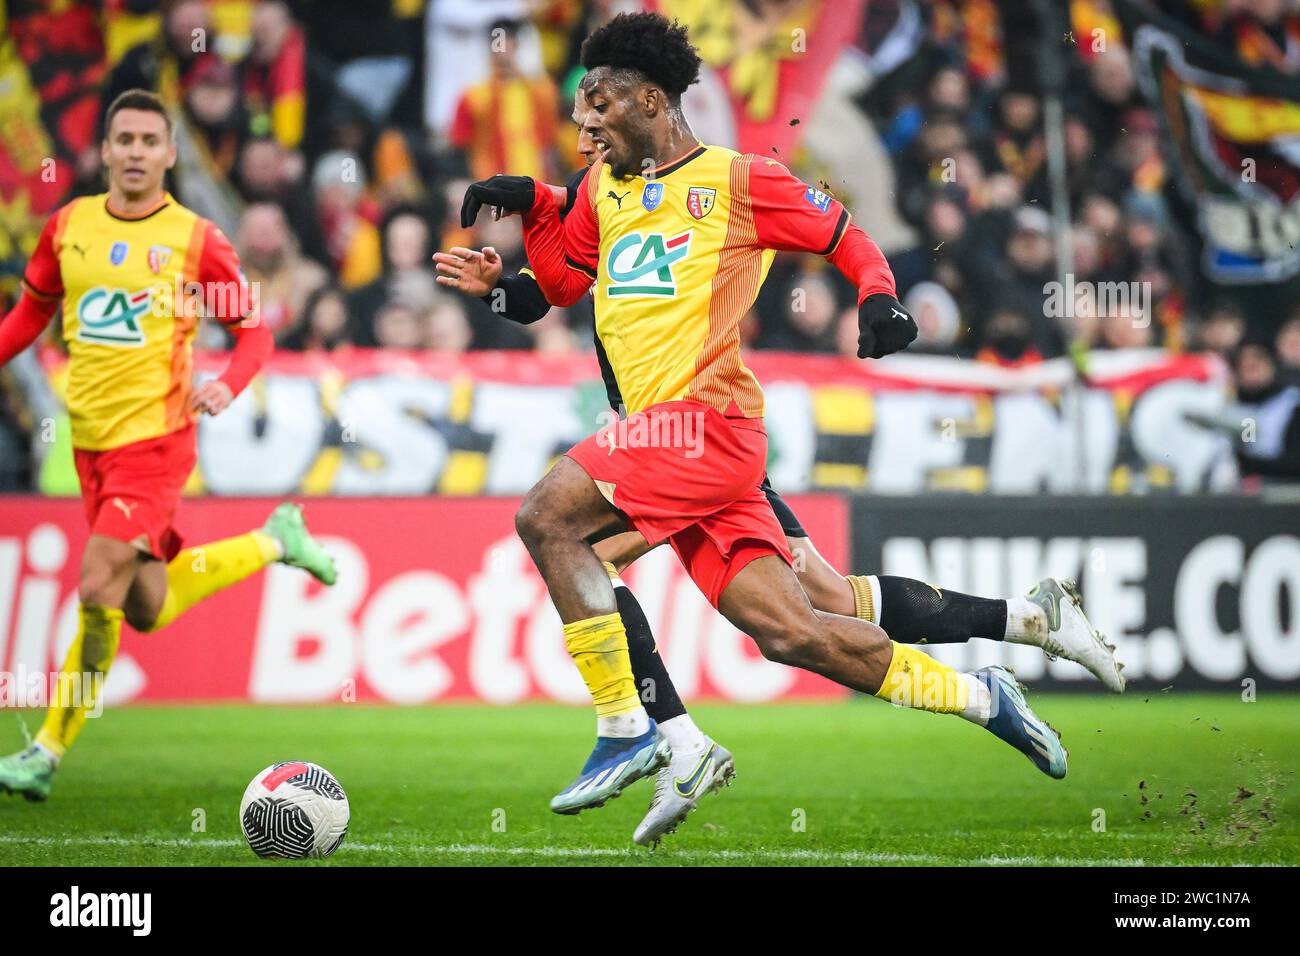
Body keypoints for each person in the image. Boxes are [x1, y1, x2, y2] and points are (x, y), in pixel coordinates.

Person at [451, 14, 1123, 837]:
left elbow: (841, 232)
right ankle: (988, 696)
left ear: (652, 101)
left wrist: (880, 298)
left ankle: (642, 730)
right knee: (797, 628)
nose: (586, 129)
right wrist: (515, 242)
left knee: (551, 521)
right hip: (662, 441)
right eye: (582, 116)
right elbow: (554, 287)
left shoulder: (739, 180)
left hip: (702, 425)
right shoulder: (603, 189)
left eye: (600, 112)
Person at [0, 90, 337, 802]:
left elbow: (255, 333)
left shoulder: (195, 239)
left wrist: (227, 385)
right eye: (123, 139)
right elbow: (30, 313)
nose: (134, 152)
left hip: (156, 443)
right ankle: (276, 541)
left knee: (97, 586)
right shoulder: (68, 227)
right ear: (103, 150)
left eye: (149, 141)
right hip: (89, 445)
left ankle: (44, 753)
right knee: (145, 605)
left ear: (169, 154)